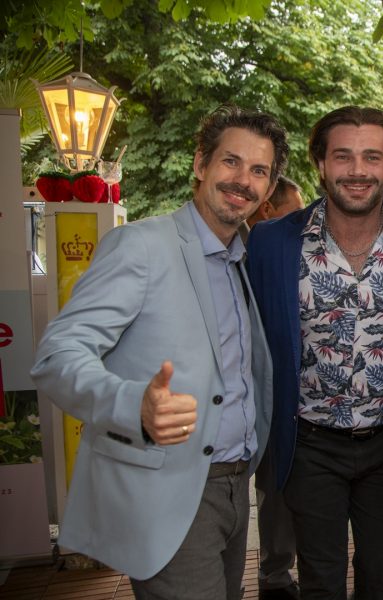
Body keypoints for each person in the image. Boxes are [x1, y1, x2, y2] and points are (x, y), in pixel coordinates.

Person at [30, 105, 288, 600]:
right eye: (231, 162)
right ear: (199, 164)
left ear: (269, 187)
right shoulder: (141, 246)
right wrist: (134, 406)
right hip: (174, 489)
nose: (243, 181)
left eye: (259, 171)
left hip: (236, 488)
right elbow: (57, 355)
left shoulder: (242, 256)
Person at [246, 106, 383, 600]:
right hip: (308, 444)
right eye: (343, 156)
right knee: (321, 581)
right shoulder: (271, 242)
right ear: (320, 164)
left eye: (372, 156)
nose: (357, 170)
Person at [245, 174, 304, 600]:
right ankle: (275, 576)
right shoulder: (252, 255)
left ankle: (277, 573)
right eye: (293, 212)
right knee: (276, 490)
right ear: (267, 211)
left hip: (298, 401)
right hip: (267, 399)